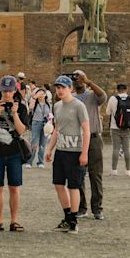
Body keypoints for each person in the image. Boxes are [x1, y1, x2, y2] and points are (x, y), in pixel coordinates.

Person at [0, 75, 29, 232]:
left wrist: (14, 114)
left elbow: (21, 130)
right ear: (0, 90)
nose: (7, 94)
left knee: (14, 187)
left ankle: (14, 221)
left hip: (14, 152)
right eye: (5, 91)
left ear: (15, 90)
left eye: (10, 91)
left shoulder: (21, 107)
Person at [45, 75, 90, 234]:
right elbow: (57, 129)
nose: (60, 90)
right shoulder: (57, 106)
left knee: (73, 186)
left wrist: (84, 153)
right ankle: (67, 216)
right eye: (58, 87)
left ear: (70, 88)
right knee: (58, 184)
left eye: (63, 87)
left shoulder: (79, 106)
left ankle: (74, 220)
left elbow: (86, 130)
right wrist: (50, 148)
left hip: (75, 151)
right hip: (61, 150)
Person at [71, 70, 107, 220]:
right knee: (78, 174)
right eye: (75, 77)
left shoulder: (92, 96)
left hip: (93, 138)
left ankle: (97, 208)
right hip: (76, 139)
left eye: (80, 77)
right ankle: (81, 207)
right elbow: (56, 99)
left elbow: (103, 96)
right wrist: (66, 85)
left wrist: (88, 81)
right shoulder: (70, 98)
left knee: (95, 174)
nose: (77, 79)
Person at [105, 84, 130, 176]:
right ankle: (128, 170)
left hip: (115, 127)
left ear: (117, 90)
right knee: (127, 148)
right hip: (127, 127)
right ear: (126, 89)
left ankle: (114, 170)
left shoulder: (112, 99)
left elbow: (108, 112)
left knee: (116, 148)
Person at [25, 88, 52, 168]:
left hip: (46, 124)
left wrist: (50, 123)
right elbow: (30, 107)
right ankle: (29, 162)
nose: (41, 95)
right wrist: (34, 97)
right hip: (36, 123)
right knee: (34, 143)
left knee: (43, 144)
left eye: (42, 93)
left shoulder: (48, 104)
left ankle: (40, 162)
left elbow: (50, 114)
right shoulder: (34, 103)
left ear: (45, 95)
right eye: (39, 93)